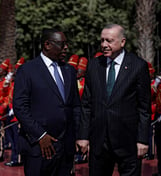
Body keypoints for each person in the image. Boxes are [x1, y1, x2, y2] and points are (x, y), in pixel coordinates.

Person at [76, 24, 151, 176]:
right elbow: (86, 104)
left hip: (128, 141)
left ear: (122, 42)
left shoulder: (138, 66)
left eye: (109, 41)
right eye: (102, 40)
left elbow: (144, 107)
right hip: (99, 142)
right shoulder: (93, 66)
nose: (104, 45)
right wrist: (83, 136)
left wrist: (143, 140)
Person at [13, 28, 81, 176]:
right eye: (61, 44)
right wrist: (40, 135)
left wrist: (77, 135)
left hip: (65, 148)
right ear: (47, 45)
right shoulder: (28, 70)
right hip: (39, 148)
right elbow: (20, 107)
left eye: (66, 43)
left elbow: (75, 106)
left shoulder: (69, 70)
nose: (66, 47)